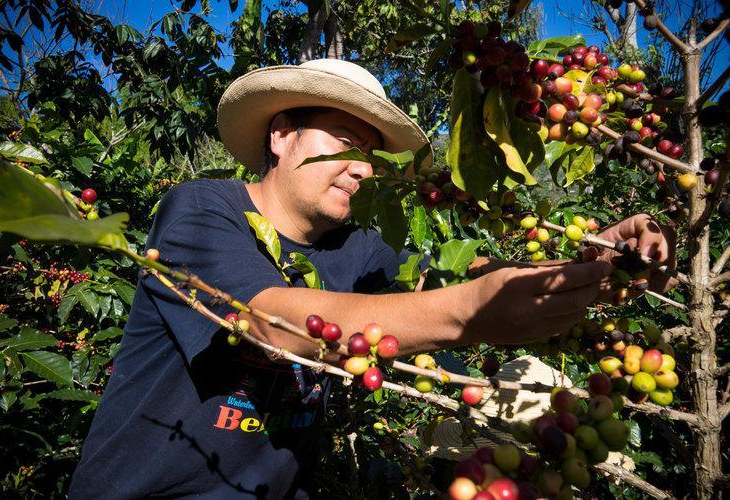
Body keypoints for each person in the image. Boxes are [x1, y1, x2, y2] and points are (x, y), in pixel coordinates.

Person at [69, 59, 675, 498]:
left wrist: (591, 264)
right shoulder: (201, 210)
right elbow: (272, 325)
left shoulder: (359, 248)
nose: (362, 169)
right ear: (281, 135)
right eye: (344, 142)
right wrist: (473, 312)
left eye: (373, 157)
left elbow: (448, 283)